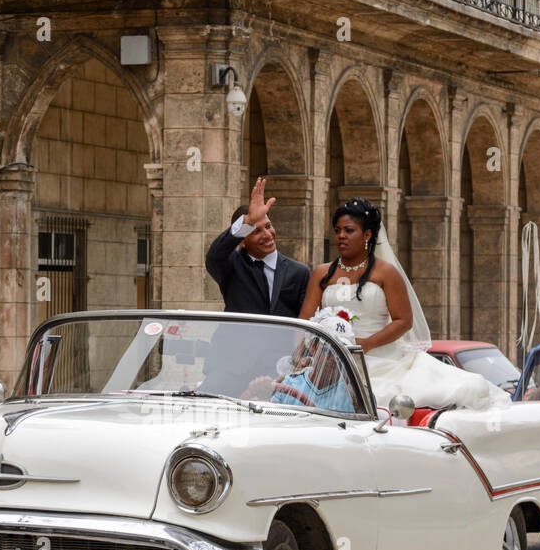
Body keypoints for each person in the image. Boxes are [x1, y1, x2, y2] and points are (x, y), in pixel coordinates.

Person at [299, 197, 510, 412]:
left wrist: (366, 345)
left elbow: (403, 320)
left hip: (379, 357)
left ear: (368, 235)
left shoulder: (386, 273)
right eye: (337, 230)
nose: (341, 236)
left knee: (383, 397)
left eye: (349, 230)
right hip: (330, 359)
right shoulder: (322, 273)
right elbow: (304, 321)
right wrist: (305, 353)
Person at [205, 176, 311, 317]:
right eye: (256, 231)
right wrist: (248, 221)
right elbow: (214, 256)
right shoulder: (232, 266)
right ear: (242, 241)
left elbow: (304, 320)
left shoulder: (299, 272)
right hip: (237, 339)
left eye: (268, 226)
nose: (267, 234)